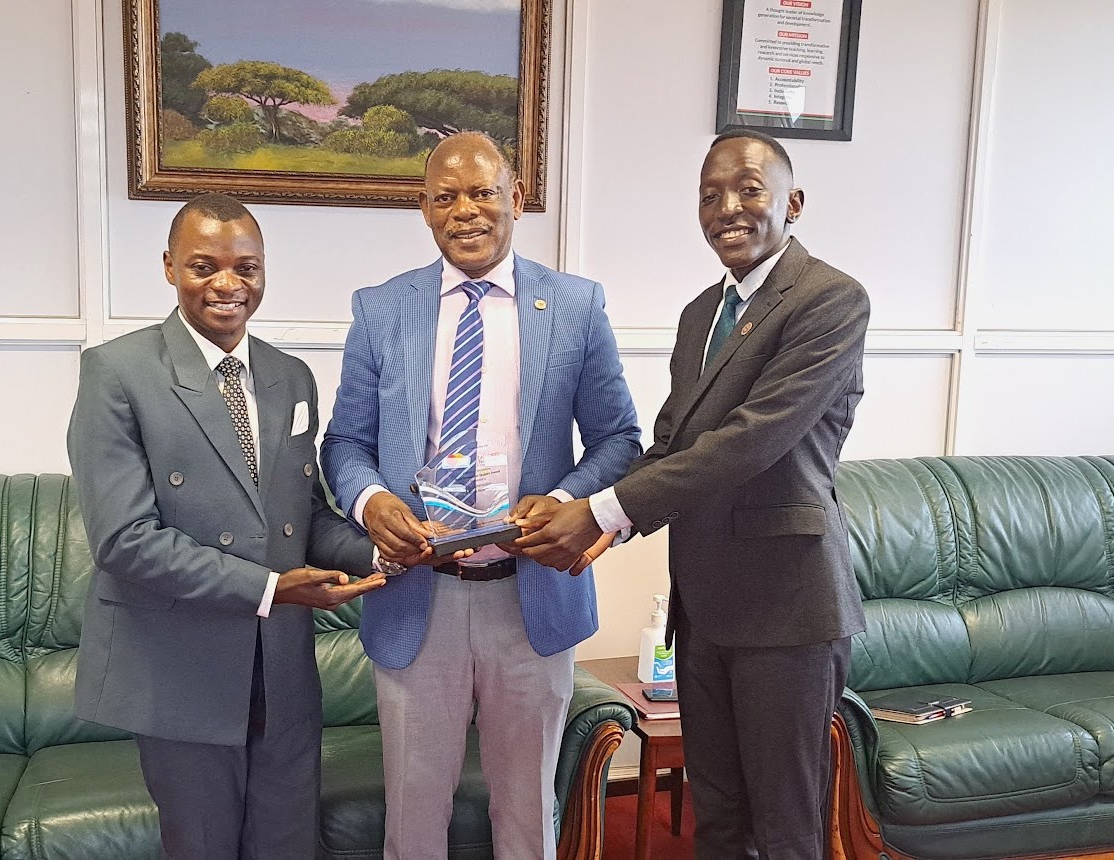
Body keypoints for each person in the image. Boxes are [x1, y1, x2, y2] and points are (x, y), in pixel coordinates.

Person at [515, 129, 869, 859]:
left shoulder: (831, 301)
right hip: (703, 609)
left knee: (786, 831)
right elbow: (673, 446)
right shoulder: (700, 314)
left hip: (788, 612)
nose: (728, 209)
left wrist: (604, 513)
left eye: (748, 189)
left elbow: (749, 440)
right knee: (717, 821)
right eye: (710, 196)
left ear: (793, 203)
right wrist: (596, 526)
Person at [319, 131, 640, 859]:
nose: (465, 210)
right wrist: (372, 504)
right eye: (445, 197)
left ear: (515, 199)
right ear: (423, 209)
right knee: (413, 821)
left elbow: (620, 439)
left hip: (529, 600)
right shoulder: (380, 310)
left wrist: (565, 499)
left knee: (528, 818)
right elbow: (343, 445)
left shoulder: (575, 307)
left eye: (482, 191)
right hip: (416, 596)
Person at [67, 193, 385, 860]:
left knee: (287, 844)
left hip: (284, 669)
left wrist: (386, 547)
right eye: (204, 266)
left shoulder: (290, 377)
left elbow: (304, 520)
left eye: (247, 267)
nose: (228, 285)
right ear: (169, 267)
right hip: (181, 665)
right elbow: (124, 540)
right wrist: (273, 588)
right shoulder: (118, 372)